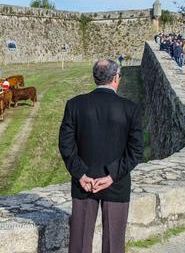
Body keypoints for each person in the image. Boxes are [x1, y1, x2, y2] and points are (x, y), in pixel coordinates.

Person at [59, 59, 144, 253]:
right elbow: (136, 150)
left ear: (95, 78)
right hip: (116, 182)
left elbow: (66, 145)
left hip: (84, 183)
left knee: (79, 244)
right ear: (116, 78)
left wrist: (81, 174)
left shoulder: (75, 105)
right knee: (114, 244)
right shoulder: (130, 108)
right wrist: (111, 176)